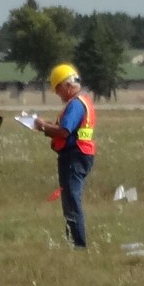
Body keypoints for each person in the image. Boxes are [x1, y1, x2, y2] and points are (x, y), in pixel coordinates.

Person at [33, 63, 96, 248]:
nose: (57, 94)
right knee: (70, 199)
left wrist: (43, 126)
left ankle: (78, 244)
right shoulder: (84, 100)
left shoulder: (75, 104)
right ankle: (76, 241)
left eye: (58, 89)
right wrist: (46, 125)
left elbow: (64, 131)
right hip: (81, 152)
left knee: (71, 201)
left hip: (74, 155)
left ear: (67, 85)